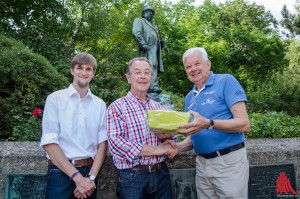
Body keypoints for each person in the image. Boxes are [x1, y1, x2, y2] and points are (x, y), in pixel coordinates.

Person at [169, 47, 251, 198]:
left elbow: (244, 123)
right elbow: (195, 136)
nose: (193, 69)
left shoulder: (226, 81)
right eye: (188, 67)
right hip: (202, 165)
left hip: (228, 163)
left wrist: (209, 123)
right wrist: (177, 147)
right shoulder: (189, 97)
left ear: (208, 64)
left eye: (197, 63)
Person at [40, 52, 107, 199]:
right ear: (72, 70)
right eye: (79, 68)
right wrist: (77, 178)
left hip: (89, 175)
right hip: (60, 173)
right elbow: (50, 143)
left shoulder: (100, 105)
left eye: (88, 69)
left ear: (93, 73)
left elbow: (102, 144)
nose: (84, 72)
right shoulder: (55, 99)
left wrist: (91, 178)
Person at [106, 57, 175, 199]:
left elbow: (172, 137)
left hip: (161, 174)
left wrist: (167, 138)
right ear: (128, 78)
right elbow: (116, 143)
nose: (143, 76)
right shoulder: (117, 107)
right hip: (132, 177)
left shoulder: (158, 107)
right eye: (137, 72)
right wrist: (156, 150)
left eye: (147, 72)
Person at [132, 4, 165, 93]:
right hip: (147, 50)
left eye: (152, 13)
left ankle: (153, 85)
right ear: (143, 13)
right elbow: (136, 33)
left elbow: (155, 41)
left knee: (154, 66)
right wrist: (143, 44)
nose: (151, 15)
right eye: (149, 12)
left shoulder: (152, 26)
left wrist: (161, 44)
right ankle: (150, 86)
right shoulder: (139, 21)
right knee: (148, 66)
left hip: (154, 50)